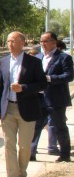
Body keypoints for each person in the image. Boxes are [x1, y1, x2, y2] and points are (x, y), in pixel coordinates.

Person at [0, 31, 46, 177]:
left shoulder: (33, 62)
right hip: (7, 108)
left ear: (22, 43)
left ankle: (22, 176)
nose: (10, 44)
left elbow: (42, 84)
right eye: (8, 41)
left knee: (24, 146)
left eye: (13, 41)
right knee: (9, 145)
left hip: (27, 109)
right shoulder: (3, 62)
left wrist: (24, 88)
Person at [38, 32, 73, 163]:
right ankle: (31, 152)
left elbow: (69, 76)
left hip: (56, 99)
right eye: (41, 41)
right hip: (40, 97)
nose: (43, 44)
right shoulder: (39, 57)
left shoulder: (64, 58)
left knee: (59, 127)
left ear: (54, 42)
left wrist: (50, 78)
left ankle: (65, 154)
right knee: (35, 126)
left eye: (46, 41)